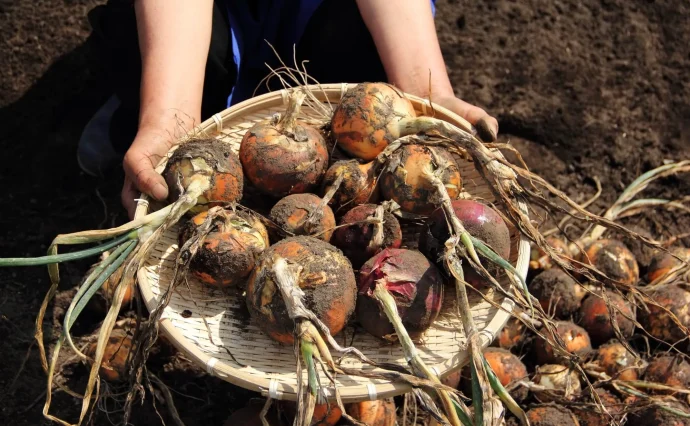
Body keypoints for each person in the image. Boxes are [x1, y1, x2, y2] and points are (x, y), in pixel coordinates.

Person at [78, 0, 499, 219]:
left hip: (312, 14)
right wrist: (164, 117)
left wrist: (428, 93)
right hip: (204, 19)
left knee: (366, 101)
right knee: (170, 72)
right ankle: (132, 112)